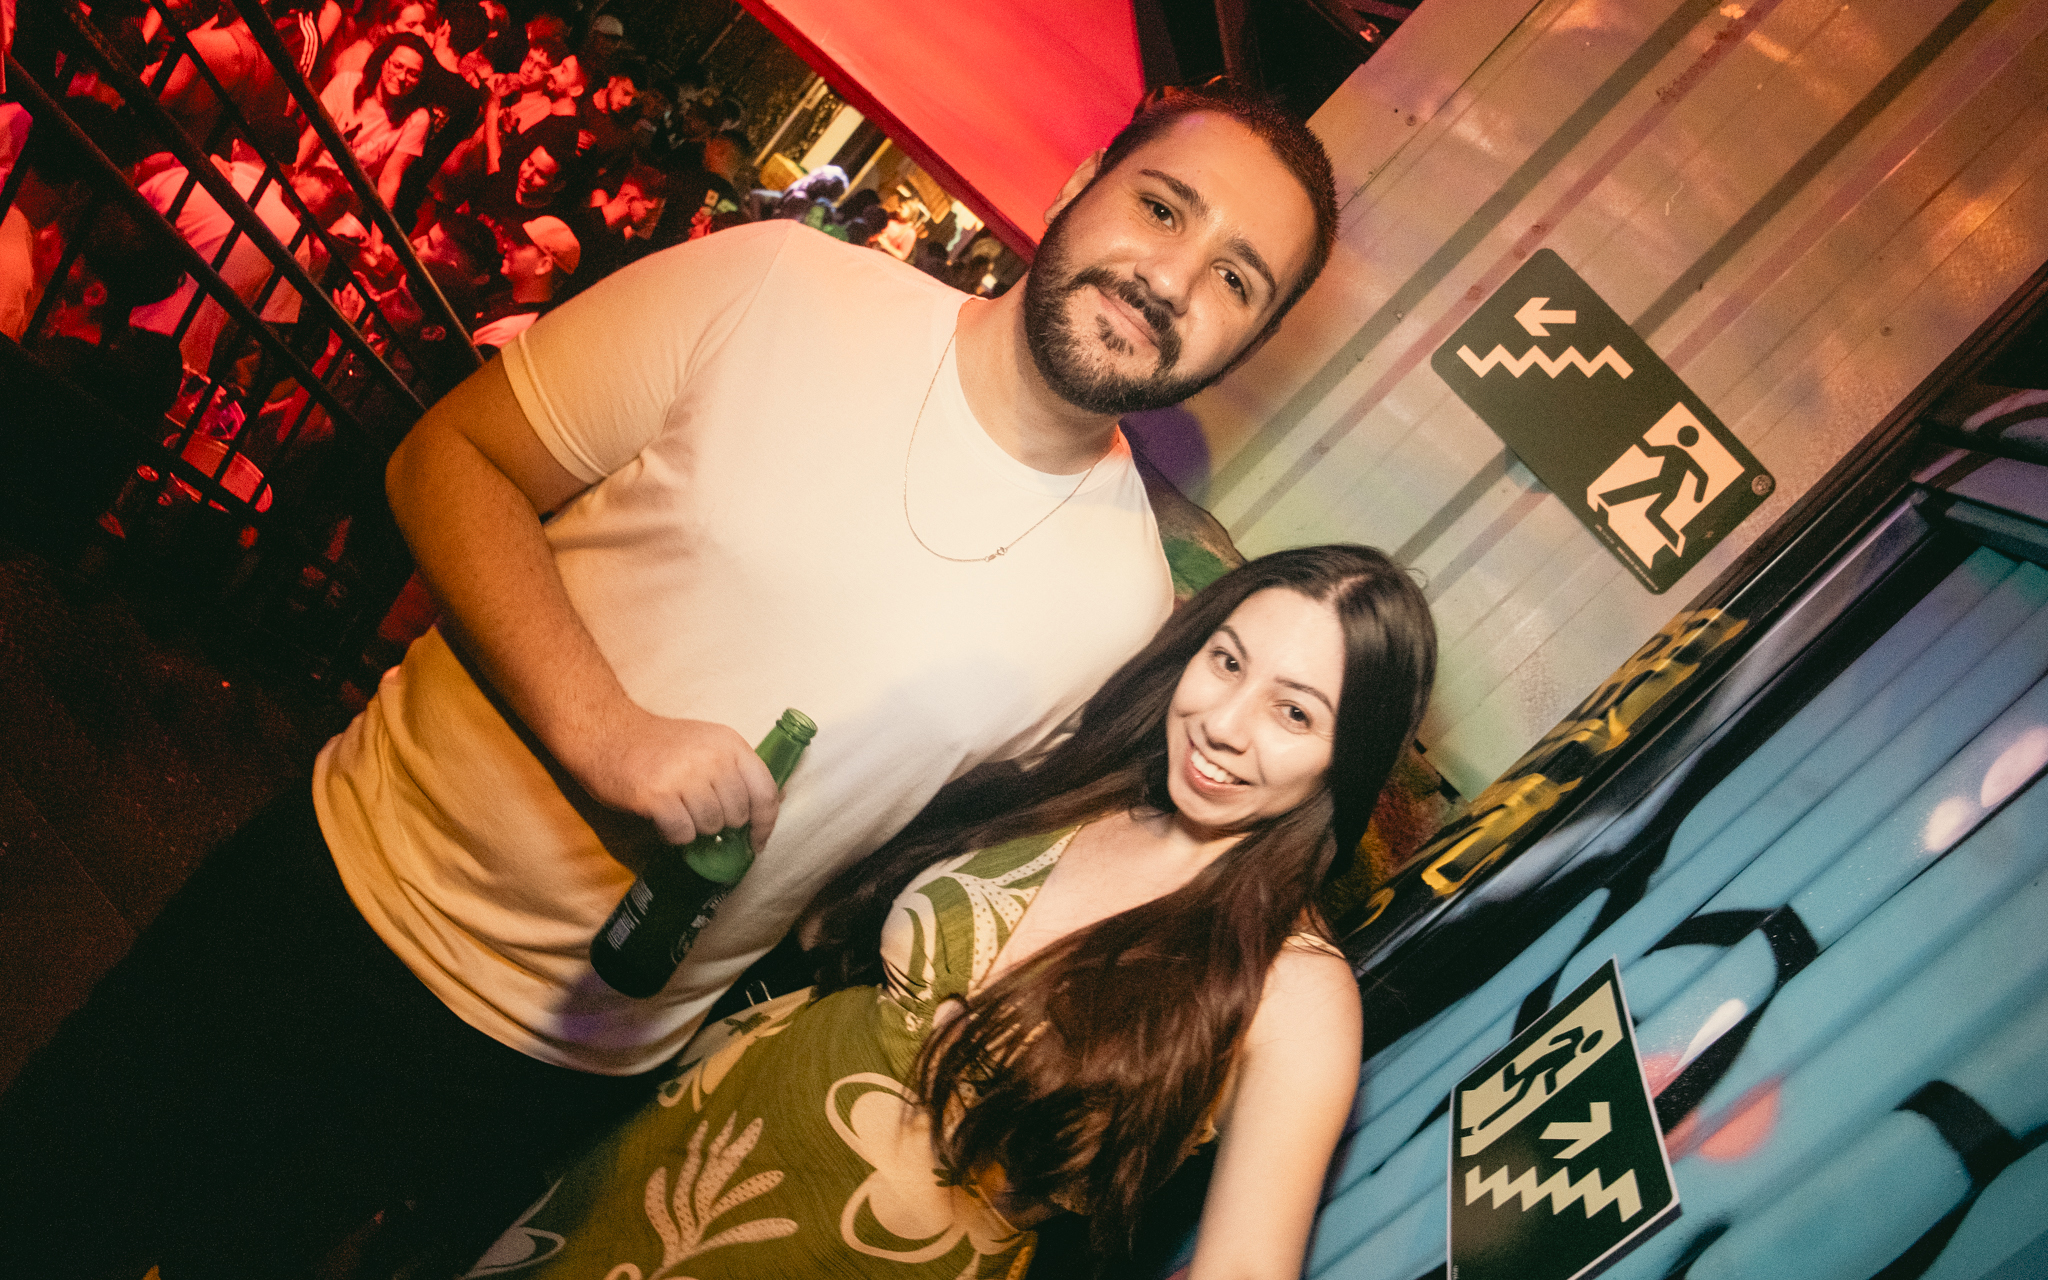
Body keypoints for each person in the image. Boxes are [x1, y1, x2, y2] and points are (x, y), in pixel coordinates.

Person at [0, 84, 1340, 1277]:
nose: (1172, 278)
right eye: (1161, 207)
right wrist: (606, 733)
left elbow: (1035, 855)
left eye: (1236, 278)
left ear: (1249, 341)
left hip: (575, 1074)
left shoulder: (1127, 612)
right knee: (48, 1203)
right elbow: (448, 460)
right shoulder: (780, 287)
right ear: (1076, 188)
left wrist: (1293, 974)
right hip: (340, 903)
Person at [470, 545, 1437, 1277]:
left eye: (1294, 712)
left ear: (1347, 759)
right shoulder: (1097, 791)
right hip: (697, 1133)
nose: (1224, 724)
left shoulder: (1298, 989)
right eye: (1226, 663)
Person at [300, 30, 434, 209]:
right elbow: (311, 138)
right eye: (397, 66)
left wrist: (378, 228)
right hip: (307, 179)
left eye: (413, 73)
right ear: (384, 61)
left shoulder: (417, 119)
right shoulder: (347, 83)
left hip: (343, 201)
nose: (402, 77)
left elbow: (389, 180)